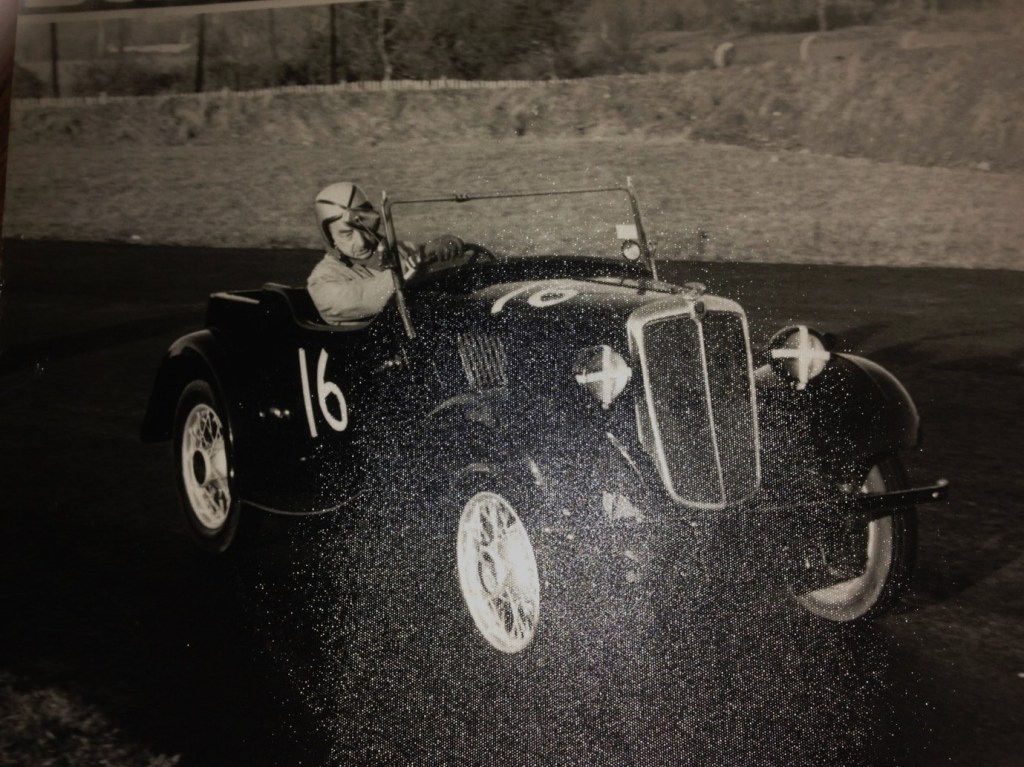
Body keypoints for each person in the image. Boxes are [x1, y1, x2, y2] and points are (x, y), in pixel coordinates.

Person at [307, 182, 463, 324]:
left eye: (364, 229)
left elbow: (432, 260)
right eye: (346, 234)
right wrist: (416, 262)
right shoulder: (322, 281)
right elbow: (368, 297)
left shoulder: (402, 249)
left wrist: (449, 245)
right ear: (330, 238)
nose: (361, 242)